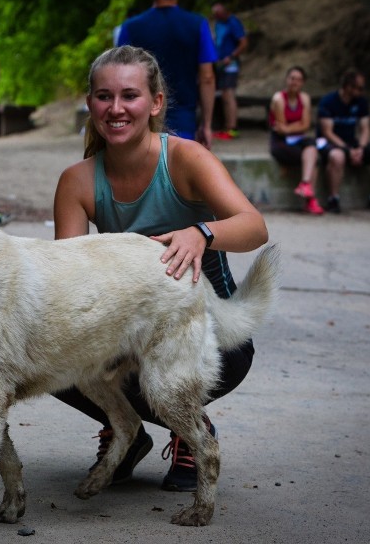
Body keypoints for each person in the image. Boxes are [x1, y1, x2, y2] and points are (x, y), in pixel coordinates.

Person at [52, 45, 268, 492]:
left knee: (161, 374)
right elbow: (66, 276)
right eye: (103, 96)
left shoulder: (185, 158)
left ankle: (190, 428)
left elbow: (254, 227)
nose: (115, 109)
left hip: (212, 334)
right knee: (47, 353)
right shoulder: (77, 180)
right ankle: (125, 430)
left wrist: (201, 233)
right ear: (90, 103)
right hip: (129, 331)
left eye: (129, 96)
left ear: (155, 103)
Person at [115, 0, 217, 148]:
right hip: (183, 121)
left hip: (142, 121)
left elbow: (119, 75)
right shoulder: (197, 25)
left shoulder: (131, 27)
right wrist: (206, 124)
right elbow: (207, 77)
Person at [317, 69, 370, 213]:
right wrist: (348, 150)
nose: (362, 91)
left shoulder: (361, 102)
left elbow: (365, 129)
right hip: (329, 142)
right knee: (337, 157)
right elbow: (327, 132)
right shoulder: (328, 101)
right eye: (359, 88)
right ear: (348, 87)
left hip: (352, 141)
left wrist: (361, 148)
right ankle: (333, 199)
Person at [268, 66, 324, 215]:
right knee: (313, 159)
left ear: (303, 83)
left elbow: (305, 125)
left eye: (298, 80)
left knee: (312, 148)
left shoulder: (304, 98)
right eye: (292, 78)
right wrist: (296, 126)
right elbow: (281, 128)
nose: (295, 82)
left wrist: (290, 127)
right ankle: (311, 200)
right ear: (287, 80)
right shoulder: (279, 99)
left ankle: (305, 185)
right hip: (280, 142)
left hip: (298, 140)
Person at [211, 2, 248, 140]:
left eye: (218, 14)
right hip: (220, 64)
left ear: (225, 11)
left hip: (231, 65)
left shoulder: (233, 22)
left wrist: (231, 56)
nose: (216, 16)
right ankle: (226, 127)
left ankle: (232, 128)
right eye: (215, 15)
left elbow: (243, 42)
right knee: (224, 95)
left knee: (229, 94)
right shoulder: (218, 23)